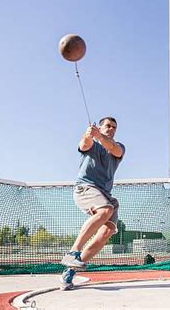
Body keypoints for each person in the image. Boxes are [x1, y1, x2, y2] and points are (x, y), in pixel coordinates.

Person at [60, 117, 125, 290]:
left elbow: (114, 149)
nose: (111, 129)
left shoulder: (118, 147)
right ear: (100, 127)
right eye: (107, 126)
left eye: (114, 127)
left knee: (107, 231)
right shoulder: (92, 145)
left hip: (105, 194)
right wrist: (89, 135)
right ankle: (73, 252)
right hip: (85, 188)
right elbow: (84, 144)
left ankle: (71, 270)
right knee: (105, 211)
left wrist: (100, 136)